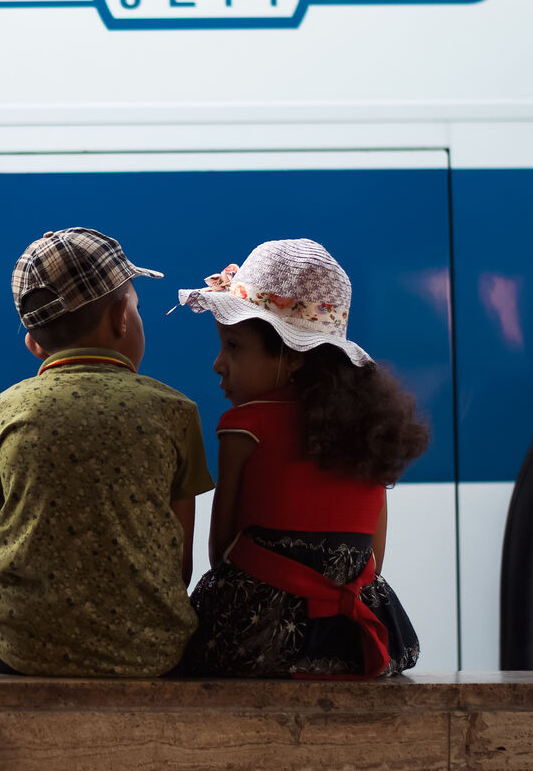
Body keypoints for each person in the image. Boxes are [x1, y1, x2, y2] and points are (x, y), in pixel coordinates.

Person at [0, 227, 214, 676]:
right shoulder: (175, 412)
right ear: (120, 318)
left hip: (24, 652)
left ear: (33, 343)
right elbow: (179, 566)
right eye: (136, 307)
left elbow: (3, 545)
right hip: (150, 653)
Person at [172, 238, 426, 677]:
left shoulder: (243, 425)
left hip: (257, 641)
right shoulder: (367, 427)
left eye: (233, 346)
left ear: (291, 358)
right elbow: (374, 559)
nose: (218, 363)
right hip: (355, 638)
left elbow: (221, 552)